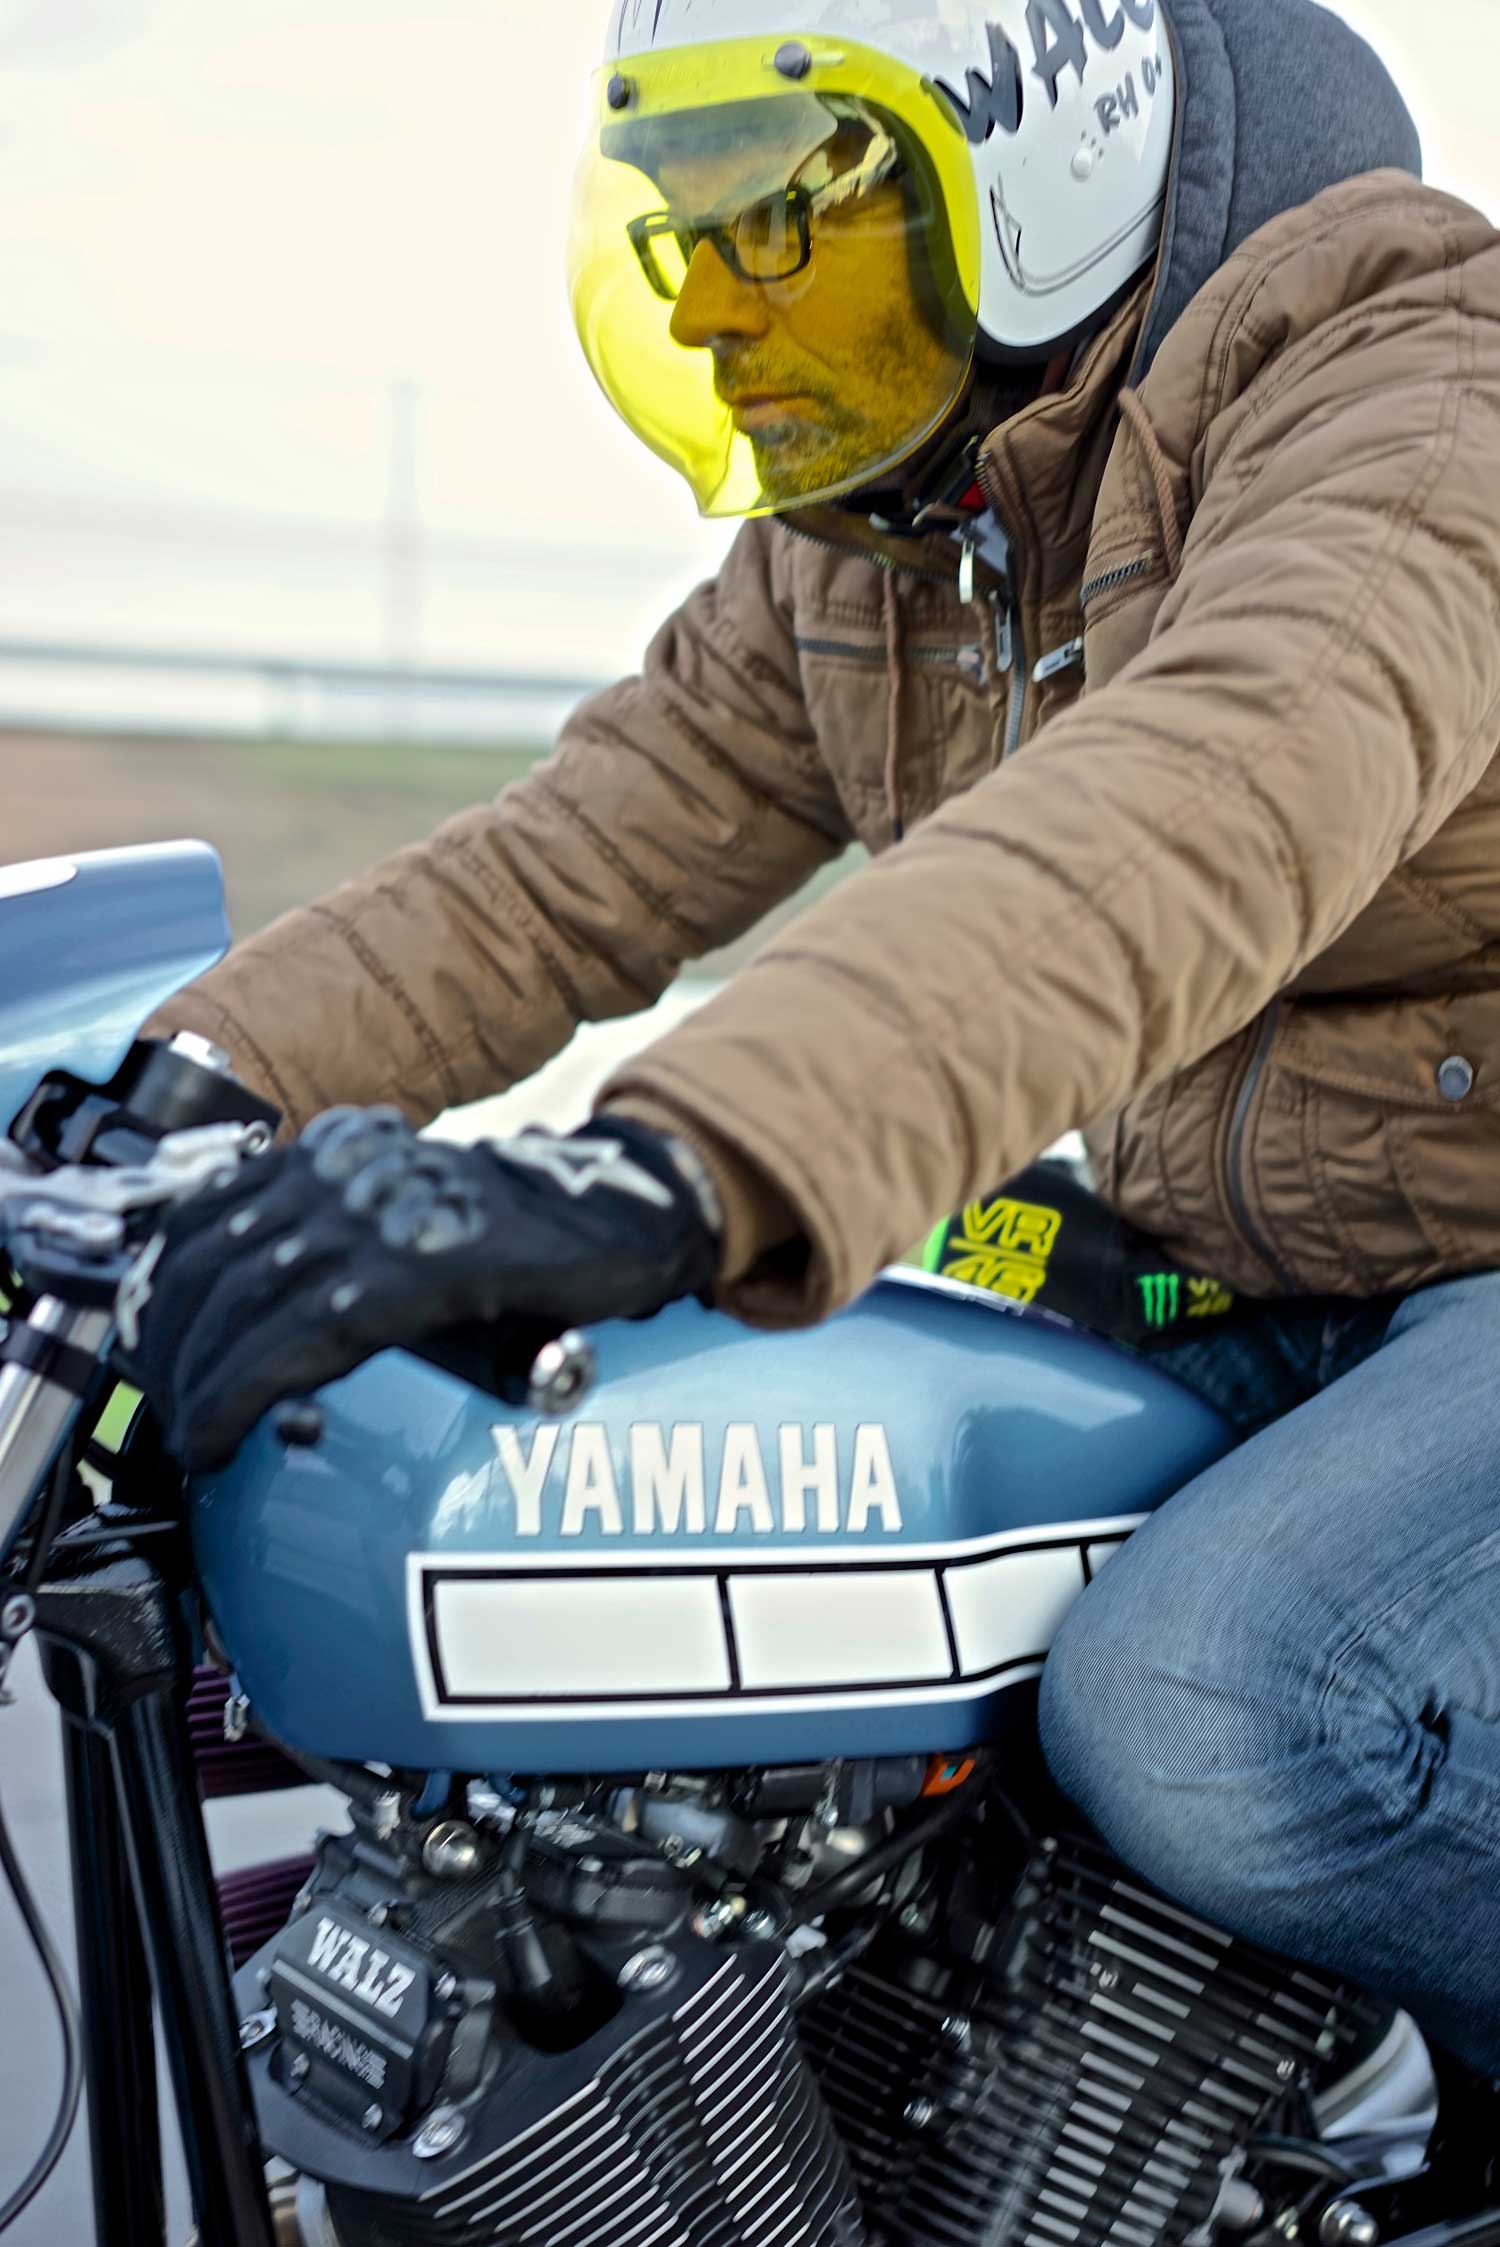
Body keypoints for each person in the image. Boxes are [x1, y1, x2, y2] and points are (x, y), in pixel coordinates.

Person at [132, 0, 1500, 2076]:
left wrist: (677, 1165)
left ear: (1035, 169)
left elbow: (1212, 797)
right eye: (677, 235)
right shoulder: (881, 537)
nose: (707, 310)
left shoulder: (1421, 395)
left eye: (775, 222)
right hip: (1240, 1261)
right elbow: (569, 863)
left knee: (1218, 1704)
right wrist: (169, 1092)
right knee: (657, 1510)